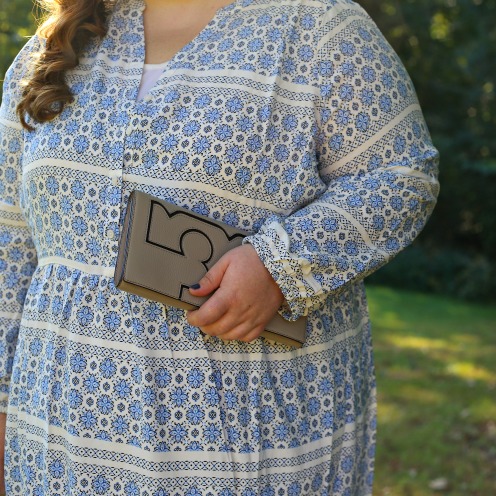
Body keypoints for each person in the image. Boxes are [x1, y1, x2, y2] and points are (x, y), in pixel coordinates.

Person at [0, 0, 440, 493]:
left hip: (240, 435)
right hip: (54, 444)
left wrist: (280, 265)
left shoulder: (320, 27)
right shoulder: (53, 49)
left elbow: (400, 176)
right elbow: (10, 249)